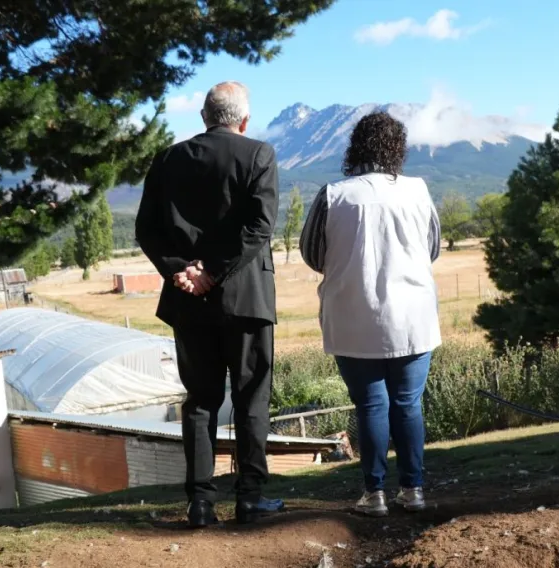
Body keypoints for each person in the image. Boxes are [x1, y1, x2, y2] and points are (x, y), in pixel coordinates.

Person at [135, 81, 284, 528]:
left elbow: (146, 229)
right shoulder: (259, 155)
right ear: (244, 120)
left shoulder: (167, 160)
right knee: (250, 397)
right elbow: (259, 227)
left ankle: (200, 502)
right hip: (247, 300)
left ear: (203, 117)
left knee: (199, 401)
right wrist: (214, 271)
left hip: (187, 301)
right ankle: (250, 497)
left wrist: (182, 270)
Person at [299, 111, 442, 517]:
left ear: (355, 148)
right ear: (398, 149)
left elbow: (313, 253)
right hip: (413, 315)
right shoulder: (418, 191)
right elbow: (431, 247)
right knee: (408, 404)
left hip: (353, 315)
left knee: (372, 407)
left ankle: (374, 493)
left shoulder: (334, 194)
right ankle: (413, 490)